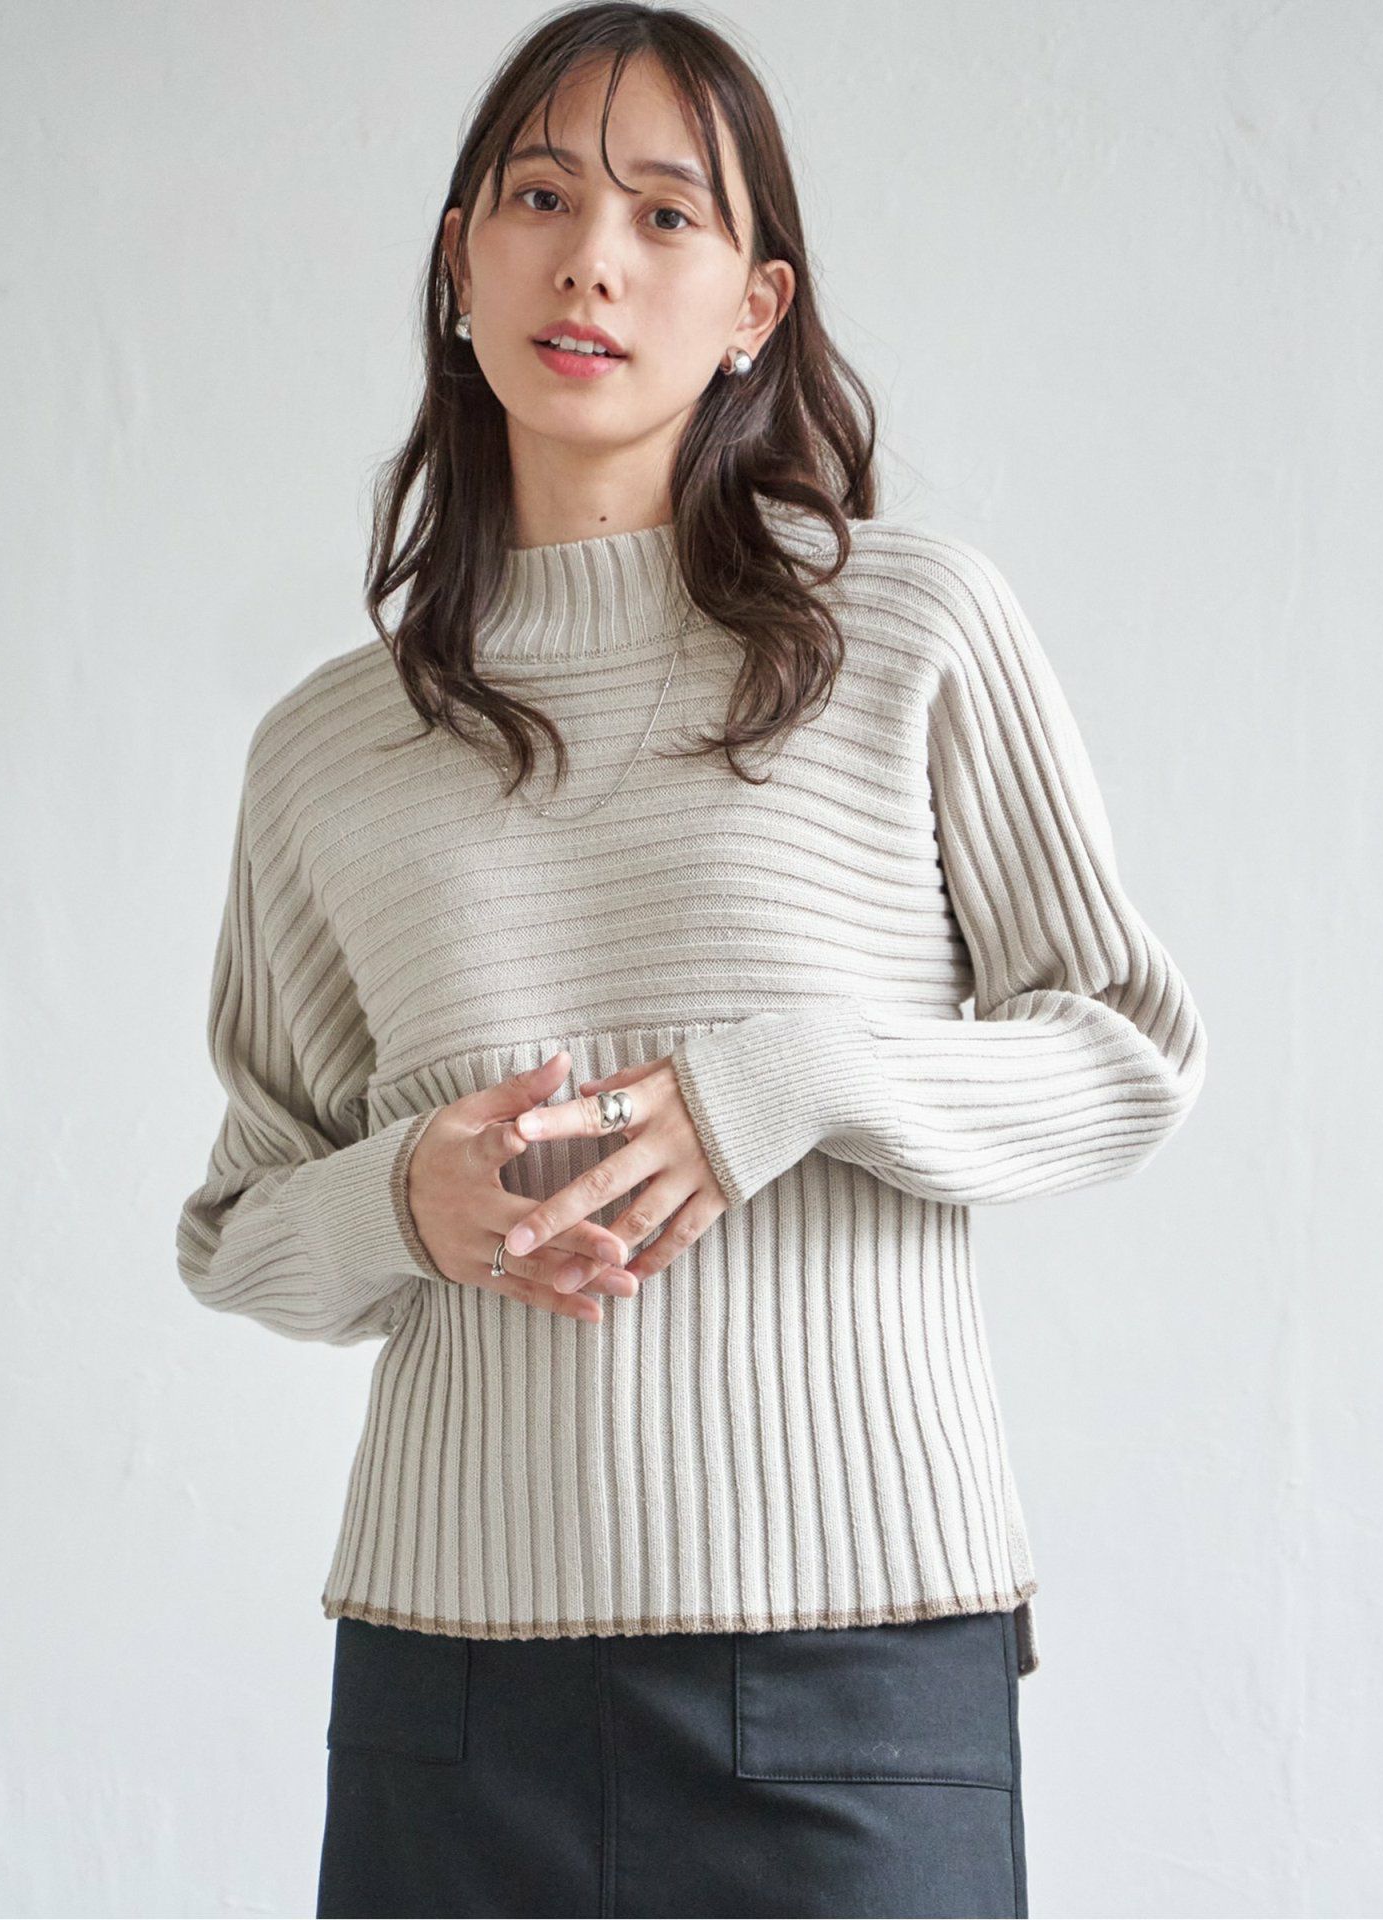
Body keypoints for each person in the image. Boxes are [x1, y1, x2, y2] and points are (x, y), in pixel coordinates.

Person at [175, 6, 1208, 1916]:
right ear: (460, 262)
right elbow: (241, 1224)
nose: (592, 260)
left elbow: (1126, 1052)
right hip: (453, 1684)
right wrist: (409, 1200)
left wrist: (787, 1079)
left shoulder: (906, 629)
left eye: (666, 214)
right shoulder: (326, 750)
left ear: (755, 305)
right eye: (541, 200)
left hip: (850, 1666)